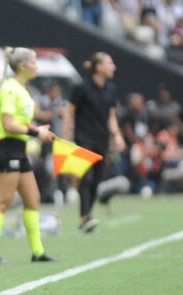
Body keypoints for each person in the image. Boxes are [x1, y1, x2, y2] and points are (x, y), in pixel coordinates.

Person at [0, 47, 57, 265]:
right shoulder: (10, 88)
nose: (37, 66)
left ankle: (37, 252)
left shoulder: (23, 90)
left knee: (32, 199)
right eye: (34, 62)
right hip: (7, 149)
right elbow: (8, 125)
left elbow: (20, 122)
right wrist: (36, 132)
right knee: (2, 202)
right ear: (23, 66)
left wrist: (39, 130)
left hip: (19, 149)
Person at [61, 52, 125, 233]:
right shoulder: (81, 87)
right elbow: (69, 112)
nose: (113, 67)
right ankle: (85, 217)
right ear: (99, 67)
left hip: (102, 140)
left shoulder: (111, 89)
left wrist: (117, 135)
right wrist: (65, 137)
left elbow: (111, 116)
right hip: (84, 139)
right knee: (87, 177)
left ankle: (86, 216)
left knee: (96, 179)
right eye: (110, 63)